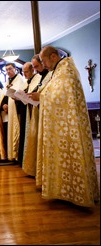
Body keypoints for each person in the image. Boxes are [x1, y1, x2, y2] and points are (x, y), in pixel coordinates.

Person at [30, 45, 99, 207]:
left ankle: (77, 192)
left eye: (44, 61)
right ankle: (62, 190)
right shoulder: (59, 71)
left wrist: (41, 96)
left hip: (70, 126)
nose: (44, 65)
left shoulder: (67, 70)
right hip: (62, 124)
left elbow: (60, 96)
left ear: (53, 56)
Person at [22, 55, 52, 176]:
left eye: (37, 66)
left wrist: (39, 96)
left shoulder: (50, 75)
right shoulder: (43, 76)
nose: (37, 69)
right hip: (37, 110)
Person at [16, 62, 41, 167]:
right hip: (26, 112)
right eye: (23, 72)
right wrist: (16, 97)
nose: (24, 74)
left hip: (34, 112)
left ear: (32, 70)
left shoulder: (38, 79)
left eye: (26, 72)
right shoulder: (27, 82)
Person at [4, 63, 27, 163]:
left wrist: (16, 98)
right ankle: (12, 155)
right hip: (10, 109)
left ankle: (17, 154)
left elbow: (22, 94)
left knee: (17, 130)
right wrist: (4, 104)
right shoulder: (8, 81)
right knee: (11, 131)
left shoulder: (20, 80)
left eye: (10, 69)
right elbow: (5, 95)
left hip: (18, 110)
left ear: (15, 69)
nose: (8, 71)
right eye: (6, 70)